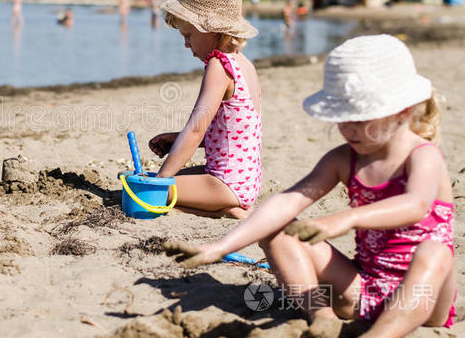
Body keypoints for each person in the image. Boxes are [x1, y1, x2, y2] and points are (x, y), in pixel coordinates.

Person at [164, 34, 455, 337]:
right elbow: (286, 202)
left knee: (434, 252)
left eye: (359, 120)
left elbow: (415, 205)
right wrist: (219, 247)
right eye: (342, 119)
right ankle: (321, 314)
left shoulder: (423, 156)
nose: (347, 130)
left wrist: (346, 218)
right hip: (362, 292)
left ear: (403, 111)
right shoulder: (344, 159)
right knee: (278, 227)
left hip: (425, 301)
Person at [149, 0, 262, 219]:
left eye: (188, 35)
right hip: (245, 181)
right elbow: (233, 133)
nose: (186, 45)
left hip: (225, 182)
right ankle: (228, 208)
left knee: (152, 189)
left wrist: (160, 180)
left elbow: (196, 129)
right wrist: (175, 139)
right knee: (172, 182)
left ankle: (224, 204)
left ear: (211, 29)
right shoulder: (245, 65)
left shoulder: (219, 65)